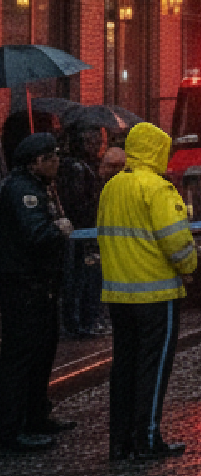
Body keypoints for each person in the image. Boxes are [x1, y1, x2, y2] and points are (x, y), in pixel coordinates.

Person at [97, 123, 198, 460]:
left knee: (124, 366)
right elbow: (175, 242)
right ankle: (147, 439)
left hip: (119, 295)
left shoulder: (112, 188)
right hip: (157, 295)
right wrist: (189, 268)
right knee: (153, 369)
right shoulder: (158, 189)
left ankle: (119, 441)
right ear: (156, 150)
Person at [0, 133, 76, 453]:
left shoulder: (39, 186)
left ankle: (36, 416)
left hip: (41, 285)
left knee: (43, 353)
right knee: (21, 358)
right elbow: (34, 234)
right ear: (36, 162)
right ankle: (11, 429)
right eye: (52, 157)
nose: (57, 162)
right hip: (24, 286)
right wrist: (57, 228)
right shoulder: (21, 190)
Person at [57, 126, 107, 338]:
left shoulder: (82, 166)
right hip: (82, 232)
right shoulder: (78, 168)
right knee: (81, 279)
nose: (97, 146)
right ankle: (79, 322)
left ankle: (81, 321)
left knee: (83, 278)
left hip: (83, 231)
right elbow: (80, 203)